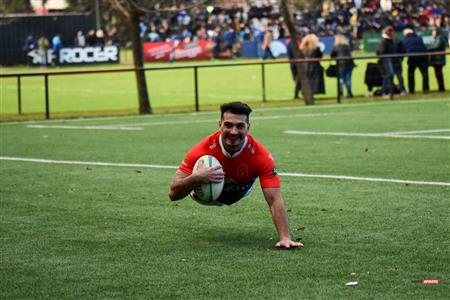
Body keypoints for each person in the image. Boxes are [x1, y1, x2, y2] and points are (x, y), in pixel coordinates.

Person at [168, 102, 303, 249]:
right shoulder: (202, 150)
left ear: (248, 127)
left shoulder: (260, 155)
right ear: (220, 125)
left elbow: (274, 199)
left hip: (241, 191)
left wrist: (285, 238)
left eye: (240, 126)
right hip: (203, 196)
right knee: (190, 181)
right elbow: (173, 194)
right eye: (228, 125)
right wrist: (197, 178)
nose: (233, 132)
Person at [402, 28, 429, 94]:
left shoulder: (405, 40)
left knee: (410, 75)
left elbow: (404, 50)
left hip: (412, 59)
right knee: (424, 74)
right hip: (423, 58)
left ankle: (411, 90)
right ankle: (425, 89)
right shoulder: (419, 38)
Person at [376, 26, 396, 97]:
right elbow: (381, 51)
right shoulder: (385, 40)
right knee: (388, 75)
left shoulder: (387, 40)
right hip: (386, 59)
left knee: (388, 75)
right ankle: (385, 92)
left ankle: (388, 92)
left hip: (387, 59)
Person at [428, 27, 448, 92]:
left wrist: (428, 48)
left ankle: (441, 88)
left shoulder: (439, 38)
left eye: (433, 32)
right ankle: (441, 87)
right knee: (438, 73)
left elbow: (436, 46)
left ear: (437, 31)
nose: (432, 33)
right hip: (438, 59)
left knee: (438, 73)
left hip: (438, 59)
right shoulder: (439, 38)